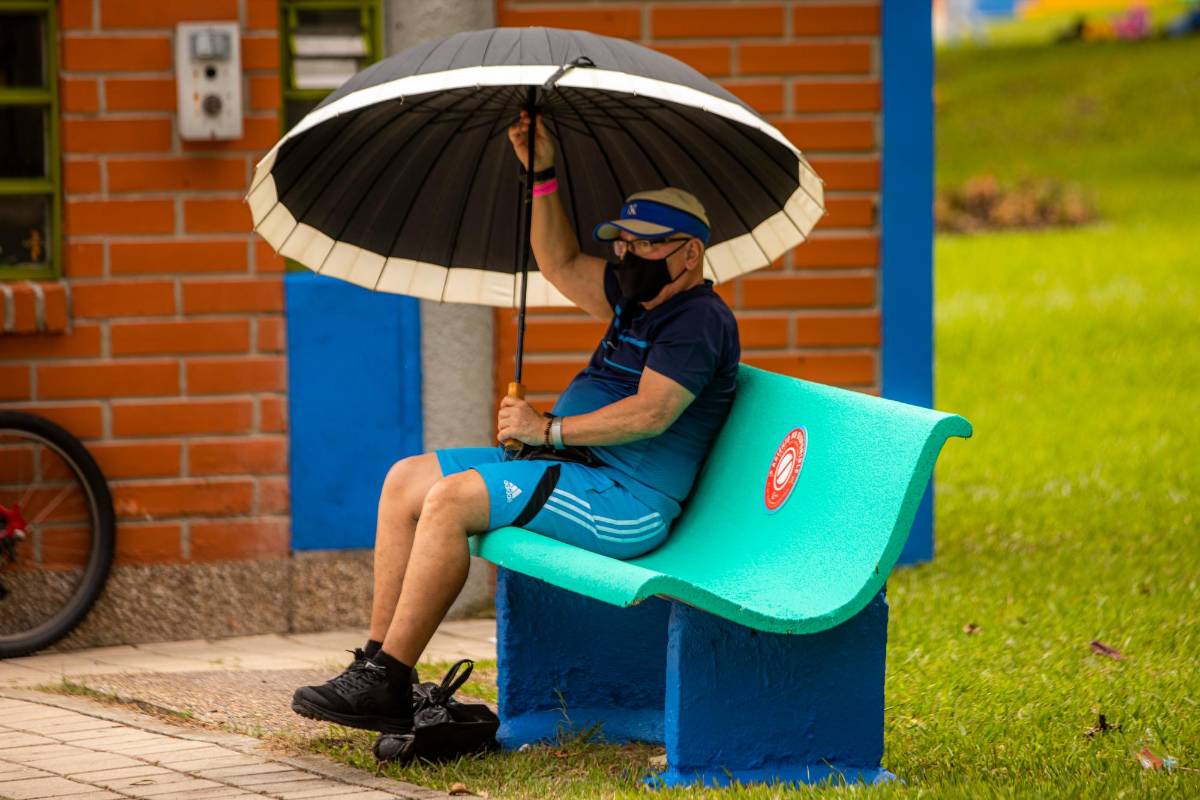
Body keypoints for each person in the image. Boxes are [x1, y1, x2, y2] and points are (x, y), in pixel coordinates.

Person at [290, 111, 741, 736]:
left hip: (624, 501)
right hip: (571, 470)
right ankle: (375, 668)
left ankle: (392, 673)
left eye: (645, 243)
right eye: (621, 241)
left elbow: (651, 412)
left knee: (449, 502)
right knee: (405, 480)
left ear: (689, 253)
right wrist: (542, 172)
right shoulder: (636, 299)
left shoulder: (696, 321)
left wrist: (547, 430)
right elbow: (556, 261)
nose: (626, 254)